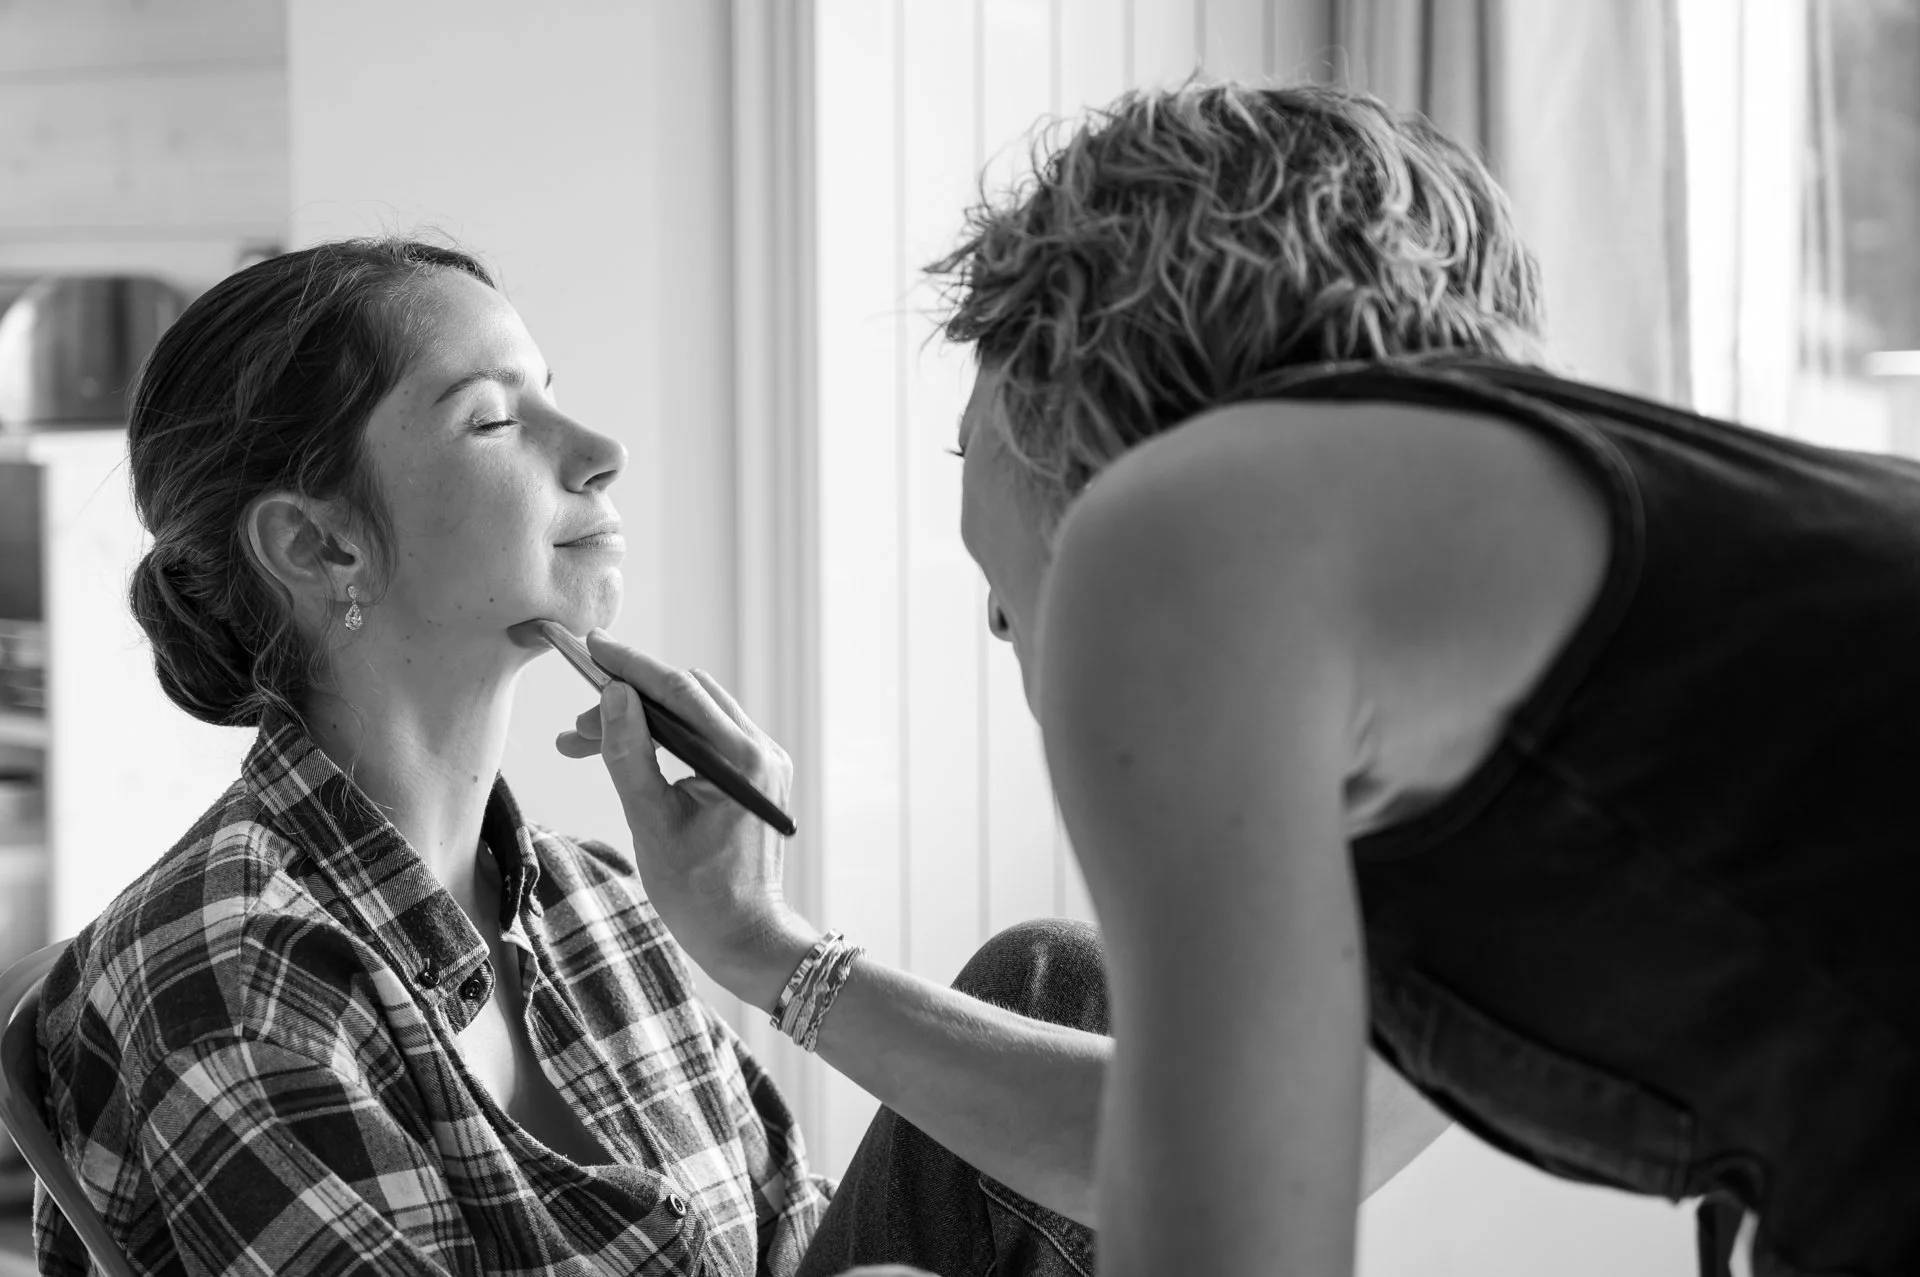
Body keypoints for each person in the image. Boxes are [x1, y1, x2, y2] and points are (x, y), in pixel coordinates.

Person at [579, 81, 1920, 1277]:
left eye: (1009, 605)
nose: (1040, 673)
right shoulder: (1556, 607)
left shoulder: (1181, 535)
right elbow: (1190, 1146)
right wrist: (763, 947)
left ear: (1080, 397)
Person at [31, 217, 1461, 1276]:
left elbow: (791, 1245)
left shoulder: (600, 913)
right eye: (493, 420)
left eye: (555, 393)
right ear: (318, 541)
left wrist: (759, 939)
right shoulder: (228, 962)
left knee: (1054, 984)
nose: (595, 450)